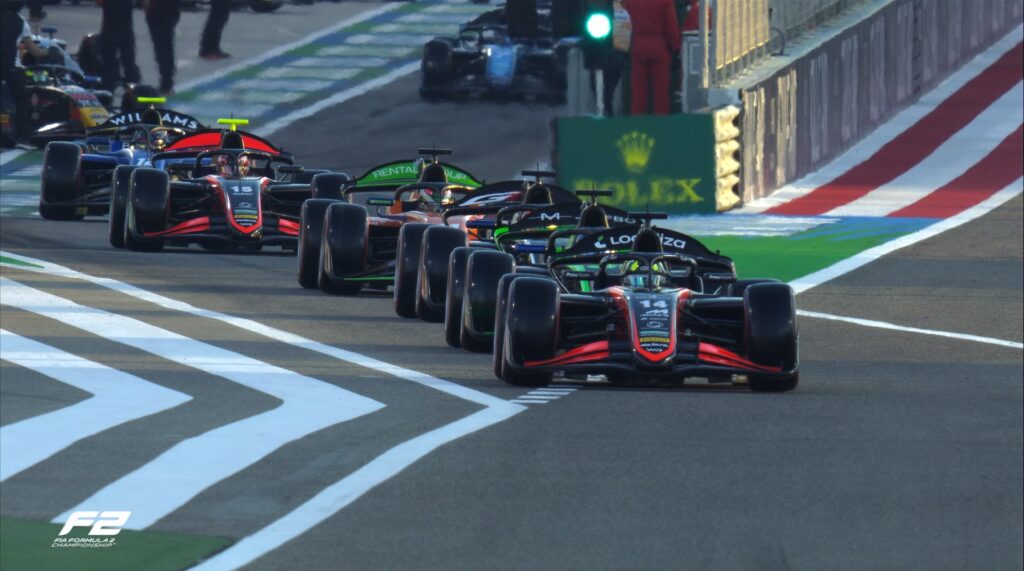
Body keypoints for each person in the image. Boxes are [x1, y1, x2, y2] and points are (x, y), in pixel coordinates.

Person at [623, 0, 681, 115]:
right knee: (661, 93)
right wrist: (676, 47)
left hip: (637, 43)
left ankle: (637, 124)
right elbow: (671, 26)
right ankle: (660, 125)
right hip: (659, 45)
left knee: (638, 93)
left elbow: (623, 23)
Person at [2, 0, 46, 141]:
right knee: (21, 101)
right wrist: (47, 53)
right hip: (11, 66)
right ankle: (23, 135)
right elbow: (34, 51)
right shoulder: (21, 22)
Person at [99, 0, 141, 91]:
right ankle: (129, 79)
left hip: (112, 21)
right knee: (126, 51)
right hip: (121, 20)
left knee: (110, 52)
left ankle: (110, 81)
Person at [145, 0, 180, 95]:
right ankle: (167, 81)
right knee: (166, 43)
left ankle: (166, 82)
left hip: (159, 9)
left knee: (162, 45)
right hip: (169, 8)